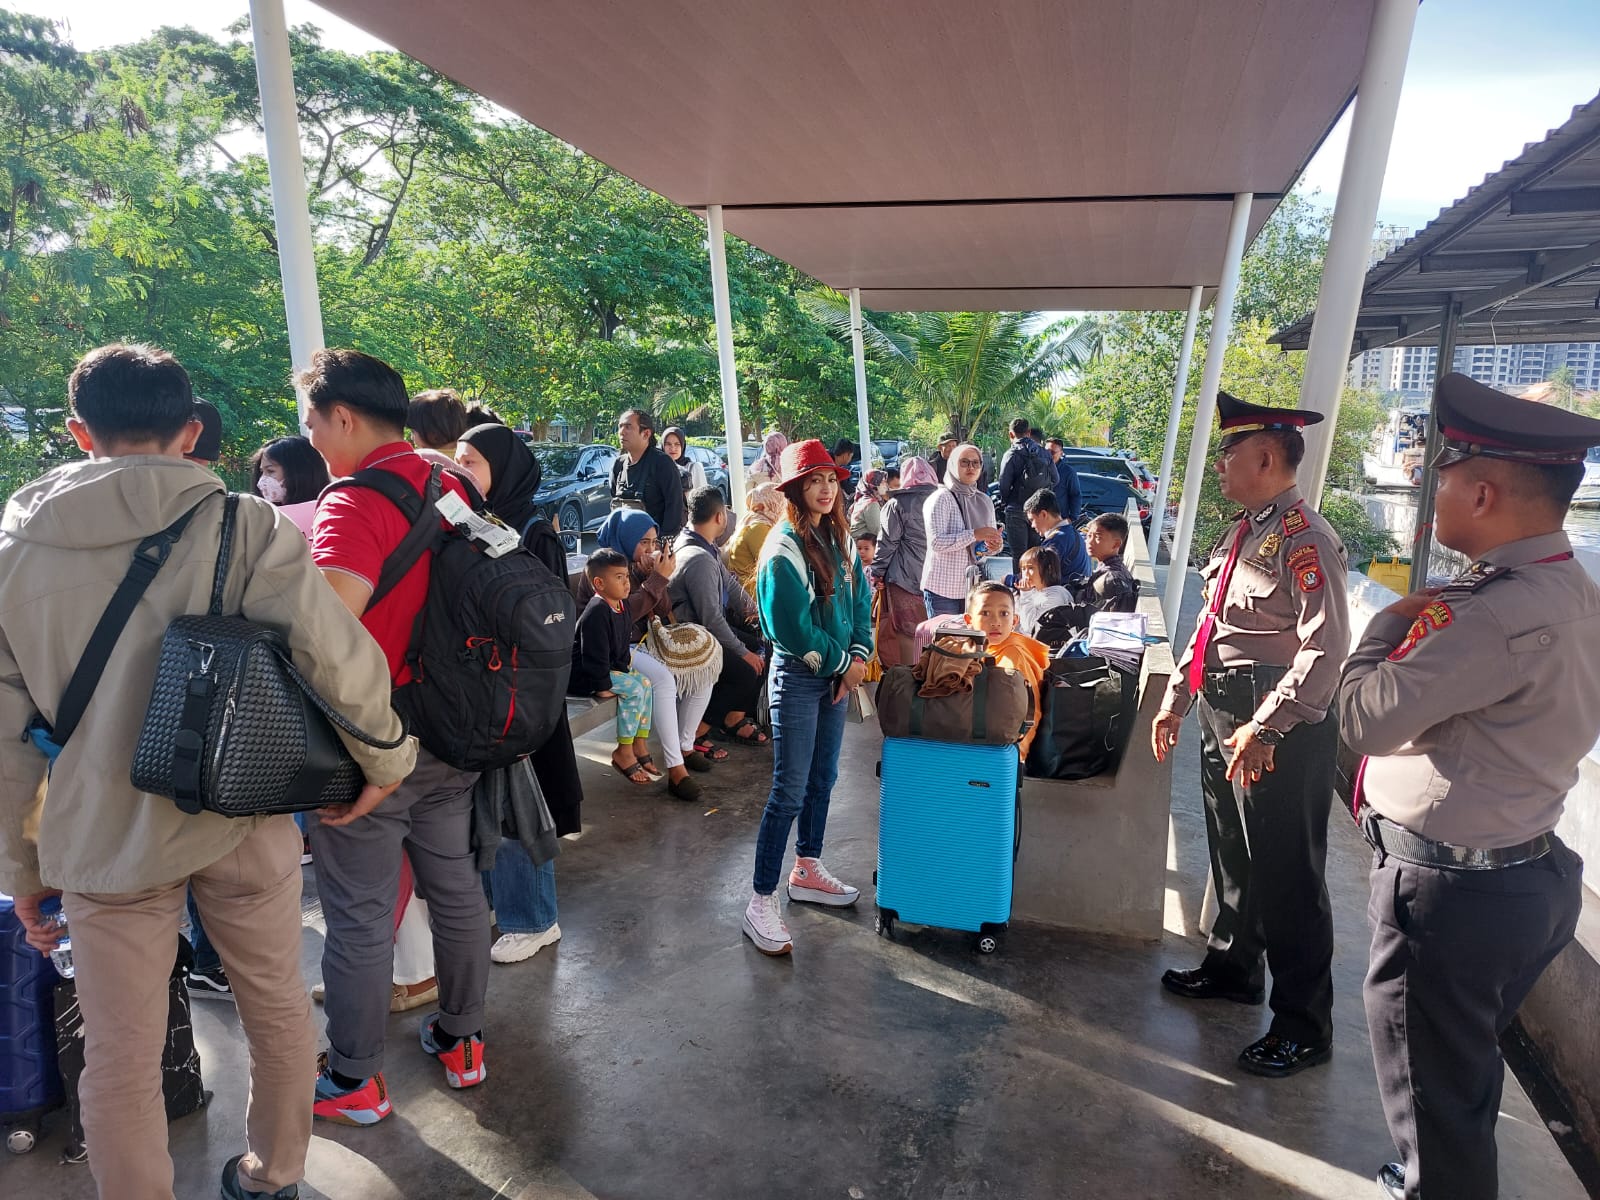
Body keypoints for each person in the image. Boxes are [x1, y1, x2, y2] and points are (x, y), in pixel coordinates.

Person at [0, 344, 414, 1200]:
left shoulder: (16, 548)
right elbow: (336, 655)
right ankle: (275, 1174)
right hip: (238, 810)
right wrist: (385, 757)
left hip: (101, 837)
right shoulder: (242, 524)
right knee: (276, 1003)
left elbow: (6, 737)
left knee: (119, 1056)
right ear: (191, 432)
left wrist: (25, 868)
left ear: (80, 432)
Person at [1338, 375, 1600, 1200]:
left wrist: (1384, 628)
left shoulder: (1490, 614)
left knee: (1434, 1090)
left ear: (1483, 493)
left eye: (1442, 475)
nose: (1432, 490)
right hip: (1530, 875)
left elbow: (1363, 720)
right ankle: (1433, 1172)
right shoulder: (1574, 588)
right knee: (1456, 1078)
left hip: (1451, 898)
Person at [301, 348, 492, 1124]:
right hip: (456, 728)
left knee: (358, 914)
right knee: (457, 889)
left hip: (372, 747)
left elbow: (323, 632)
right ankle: (463, 1041)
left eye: (313, 423)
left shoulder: (353, 503)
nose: (312, 439)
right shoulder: (454, 485)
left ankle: (354, 1079)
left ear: (343, 417)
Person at [1151, 392, 1350, 1080]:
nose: (1219, 466)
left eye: (1228, 453)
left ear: (1266, 457)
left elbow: (1325, 647)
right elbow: (1211, 626)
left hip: (1274, 719)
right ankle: (1234, 967)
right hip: (1224, 708)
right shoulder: (1242, 533)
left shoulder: (1304, 538)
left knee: (1289, 872)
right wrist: (1178, 699)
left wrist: (1267, 725)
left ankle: (1303, 1025)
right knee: (1233, 851)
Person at [454, 422, 584, 964]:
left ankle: (534, 917)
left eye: (471, 461)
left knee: (521, 805)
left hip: (523, 697)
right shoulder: (476, 521)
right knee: (490, 803)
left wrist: (524, 700)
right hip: (489, 692)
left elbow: (547, 627)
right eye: (457, 458)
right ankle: (502, 904)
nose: (459, 468)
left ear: (502, 468)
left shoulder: (531, 531)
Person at [742, 440, 872, 956]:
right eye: (814, 480)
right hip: (799, 678)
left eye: (831, 479)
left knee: (824, 778)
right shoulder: (781, 550)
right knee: (788, 791)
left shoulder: (839, 538)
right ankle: (760, 900)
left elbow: (860, 602)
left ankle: (807, 867)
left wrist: (857, 656)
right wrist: (847, 666)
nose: (825, 488)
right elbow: (792, 631)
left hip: (835, 677)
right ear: (794, 489)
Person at [575, 509, 712, 801]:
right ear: (626, 539)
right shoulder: (603, 569)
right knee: (662, 679)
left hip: (643, 643)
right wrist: (655, 579)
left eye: (654, 542)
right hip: (616, 649)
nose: (650, 549)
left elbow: (662, 609)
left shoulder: (634, 569)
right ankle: (675, 768)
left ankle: (685, 745)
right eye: (643, 542)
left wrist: (655, 577)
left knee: (702, 667)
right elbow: (627, 613)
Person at [670, 486, 769, 749]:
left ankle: (732, 718)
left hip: (705, 630)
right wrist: (743, 653)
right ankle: (697, 733)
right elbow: (711, 620)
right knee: (748, 669)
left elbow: (731, 586)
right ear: (720, 516)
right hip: (692, 637)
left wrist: (758, 615)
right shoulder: (698, 558)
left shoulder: (700, 544)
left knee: (763, 648)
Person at [573, 549, 659, 785]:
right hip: (585, 676)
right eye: (618, 577)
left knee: (645, 683)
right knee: (634, 689)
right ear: (599, 583)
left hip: (607, 670)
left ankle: (639, 743)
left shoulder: (621, 605)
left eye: (626, 576)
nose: (626, 583)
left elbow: (621, 646)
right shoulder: (597, 611)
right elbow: (592, 655)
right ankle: (624, 750)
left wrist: (624, 669)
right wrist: (602, 686)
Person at [963, 581, 1049, 760]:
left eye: (1004, 614)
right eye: (985, 613)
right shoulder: (976, 648)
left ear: (1014, 621)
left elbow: (1030, 713)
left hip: (1008, 752)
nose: (996, 622)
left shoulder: (1013, 655)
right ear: (968, 621)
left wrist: (1017, 756)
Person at [871, 455, 940, 666]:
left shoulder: (896, 504)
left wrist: (877, 572)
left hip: (903, 579)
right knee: (937, 631)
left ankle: (912, 676)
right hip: (939, 579)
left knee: (907, 632)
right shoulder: (944, 499)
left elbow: (887, 542)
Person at [921, 442, 1002, 618]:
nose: (970, 467)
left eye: (975, 463)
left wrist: (994, 545)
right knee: (946, 636)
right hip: (942, 589)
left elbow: (985, 547)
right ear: (952, 464)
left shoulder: (984, 501)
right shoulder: (941, 498)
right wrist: (974, 534)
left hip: (973, 587)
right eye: (964, 462)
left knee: (972, 636)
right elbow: (936, 542)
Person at [609, 408, 686, 540]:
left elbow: (675, 509)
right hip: (624, 545)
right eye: (620, 426)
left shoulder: (662, 464)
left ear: (646, 434)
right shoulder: (618, 465)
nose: (622, 432)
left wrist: (661, 544)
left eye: (628, 427)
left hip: (655, 547)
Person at [997, 417, 1059, 558]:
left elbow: (1003, 483)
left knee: (1019, 555)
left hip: (1016, 509)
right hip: (1038, 511)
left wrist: (1006, 501)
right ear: (1029, 432)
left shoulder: (1011, 454)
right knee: (1035, 554)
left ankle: (1020, 574)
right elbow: (1056, 479)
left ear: (1011, 434)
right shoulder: (1044, 453)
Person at [249, 435, 331, 538]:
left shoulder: (330, 512)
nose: (261, 481)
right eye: (262, 472)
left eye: (270, 471)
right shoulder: (262, 519)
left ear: (298, 471)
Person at [723, 482, 786, 600]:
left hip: (744, 591)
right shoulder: (759, 528)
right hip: (751, 597)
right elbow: (773, 567)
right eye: (781, 502)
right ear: (771, 503)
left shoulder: (750, 520)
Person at [1072, 512, 1139, 615]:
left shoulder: (1113, 581)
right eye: (1089, 536)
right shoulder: (1108, 569)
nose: (1089, 541)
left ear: (1116, 544)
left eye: (1098, 537)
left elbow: (1111, 620)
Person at [1022, 488, 1092, 582]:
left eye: (1032, 520)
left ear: (1043, 514)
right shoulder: (1073, 533)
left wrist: (1008, 579)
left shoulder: (1055, 541)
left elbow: (1035, 578)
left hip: (1065, 590)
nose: (1032, 526)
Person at [1012, 547, 1073, 640]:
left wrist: (1025, 594)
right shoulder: (1034, 591)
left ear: (1049, 569)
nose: (1025, 574)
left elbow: (1030, 627)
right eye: (1023, 569)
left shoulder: (1056, 595)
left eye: (1030, 568)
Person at [407, 387, 471, 465]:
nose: (412, 437)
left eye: (413, 431)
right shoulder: (472, 457)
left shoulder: (419, 460)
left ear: (432, 433)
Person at [661, 426, 707, 497]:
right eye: (668, 444)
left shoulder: (693, 468)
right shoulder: (658, 468)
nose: (672, 448)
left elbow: (703, 497)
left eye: (677, 444)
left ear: (683, 446)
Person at [1045, 437, 1083, 522]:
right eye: (1046, 452)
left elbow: (1075, 495)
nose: (1049, 455)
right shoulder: (1037, 468)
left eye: (1052, 452)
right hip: (1039, 519)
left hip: (1058, 520)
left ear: (1061, 453)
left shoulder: (1068, 472)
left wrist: (1072, 518)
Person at [849, 468, 888, 539]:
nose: (885, 485)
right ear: (873, 485)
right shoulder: (871, 503)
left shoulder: (863, 499)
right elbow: (877, 531)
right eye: (882, 482)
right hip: (863, 543)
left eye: (885, 481)